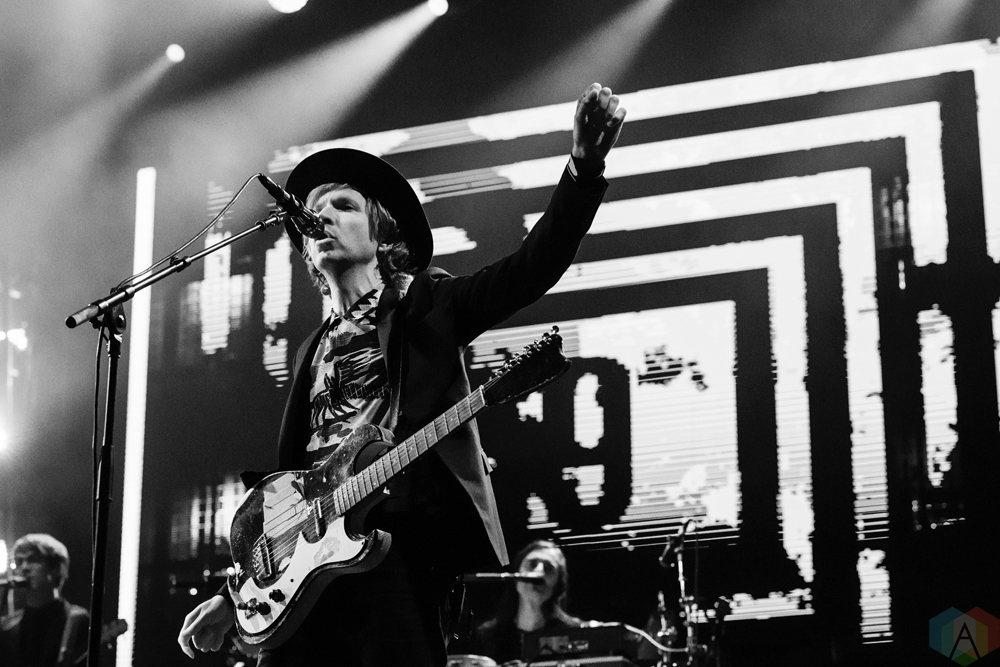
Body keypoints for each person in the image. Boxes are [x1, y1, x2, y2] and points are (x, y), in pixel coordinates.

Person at [177, 81, 626, 666]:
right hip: (309, 570)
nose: (322, 215)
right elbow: (290, 489)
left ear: (382, 233)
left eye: (343, 206)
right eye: (315, 209)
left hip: (396, 551)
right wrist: (234, 593)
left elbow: (528, 269)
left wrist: (583, 170)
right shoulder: (310, 348)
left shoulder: (427, 304)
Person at [466, 540, 586, 666]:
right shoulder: (487, 635)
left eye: (549, 568)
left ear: (558, 586)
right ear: (516, 574)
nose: (539, 572)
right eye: (532, 564)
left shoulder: (575, 633)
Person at [0, 534, 90, 667]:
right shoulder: (7, 627)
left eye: (33, 559)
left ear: (56, 568)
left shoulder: (78, 621)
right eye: (19, 561)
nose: (24, 568)